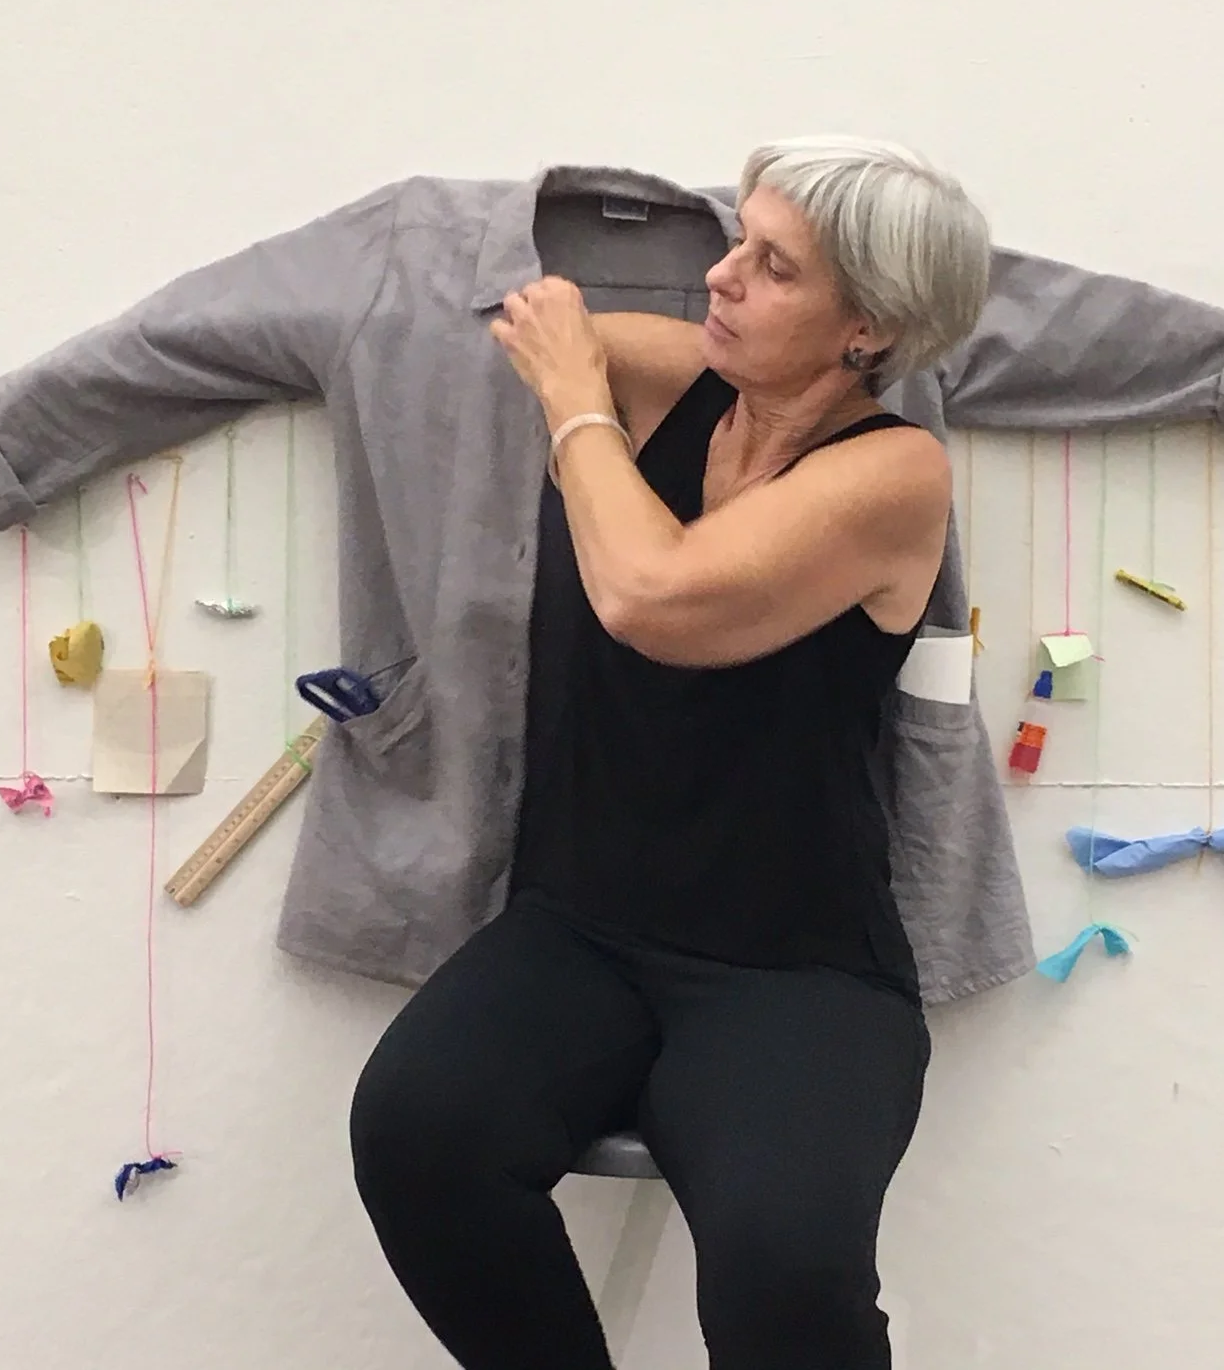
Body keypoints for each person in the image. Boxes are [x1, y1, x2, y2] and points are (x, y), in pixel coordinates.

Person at [348, 135, 992, 1370]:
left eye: (774, 267)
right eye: (739, 241)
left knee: (785, 1273)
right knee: (420, 1134)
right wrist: (546, 342)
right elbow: (548, 330)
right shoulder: (685, 380)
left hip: (793, 967)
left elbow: (655, 595)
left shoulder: (896, 473)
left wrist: (576, 401)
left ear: (867, 328)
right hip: (581, 928)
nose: (719, 277)